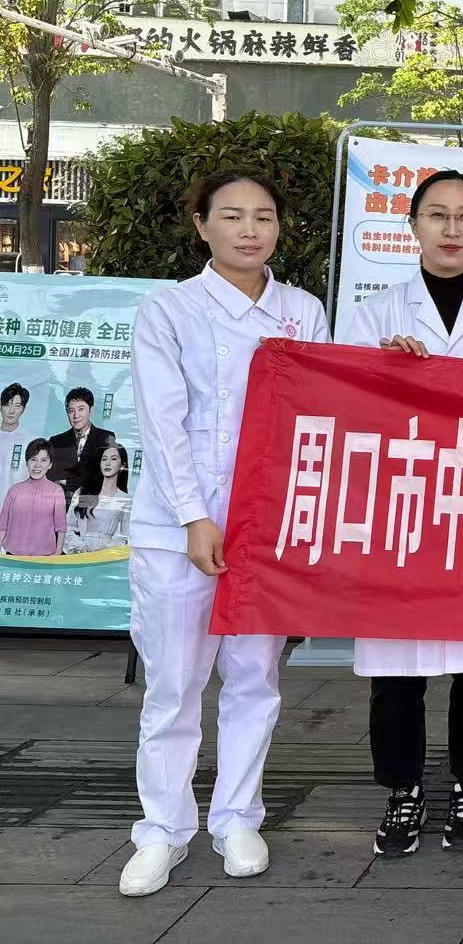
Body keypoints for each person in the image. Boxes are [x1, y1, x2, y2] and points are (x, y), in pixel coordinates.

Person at [121, 172, 331, 898]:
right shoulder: (169, 309)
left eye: (263, 217)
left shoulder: (303, 311)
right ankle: (162, 830)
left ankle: (238, 816)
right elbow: (163, 420)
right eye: (233, 216)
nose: (250, 230)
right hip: (178, 525)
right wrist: (194, 516)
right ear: (201, 224)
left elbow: (317, 418)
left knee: (254, 678)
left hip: (265, 527)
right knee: (174, 684)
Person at [337, 169, 463, 859]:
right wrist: (384, 371)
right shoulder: (375, 313)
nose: (451, 229)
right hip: (401, 506)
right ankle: (403, 790)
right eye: (437, 215)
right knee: (398, 668)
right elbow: (346, 404)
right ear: (413, 226)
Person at [47, 386, 114, 507]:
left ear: (91, 410)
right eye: (71, 411)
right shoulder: (56, 442)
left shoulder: (106, 438)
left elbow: (102, 475)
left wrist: (67, 481)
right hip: (63, 505)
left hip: (95, 505)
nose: (76, 415)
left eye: (81, 409)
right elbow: (52, 477)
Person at [0, 439, 66, 555]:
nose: (37, 465)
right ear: (27, 462)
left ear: (50, 464)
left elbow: (61, 527)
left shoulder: (56, 491)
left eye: (43, 460)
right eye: (33, 459)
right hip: (13, 555)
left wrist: (57, 554)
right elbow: (3, 526)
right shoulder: (14, 490)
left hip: (44, 557)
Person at [69, 441, 131, 552]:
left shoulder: (124, 499)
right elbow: (68, 526)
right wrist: (82, 547)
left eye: (113, 459)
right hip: (81, 554)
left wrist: (106, 549)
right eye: (104, 459)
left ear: (122, 465)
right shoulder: (86, 492)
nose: (108, 463)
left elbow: (126, 536)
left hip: (107, 555)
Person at [0, 382, 31, 485]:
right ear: (0, 406)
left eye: (17, 406)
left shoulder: (29, 441)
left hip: (18, 494)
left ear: (23, 409)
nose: (11, 411)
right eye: (8, 405)